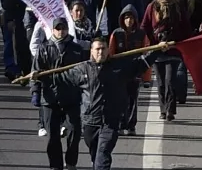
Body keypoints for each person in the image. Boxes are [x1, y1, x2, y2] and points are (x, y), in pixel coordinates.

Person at [36, 37, 164, 170]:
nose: (100, 52)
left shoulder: (119, 66)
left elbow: (142, 63)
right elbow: (60, 78)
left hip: (110, 121)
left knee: (103, 154)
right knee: (96, 155)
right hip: (90, 122)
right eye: (97, 49)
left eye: (103, 49)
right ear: (91, 51)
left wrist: (158, 50)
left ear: (108, 50)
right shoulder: (82, 69)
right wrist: (40, 76)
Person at [31, 17, 84, 170]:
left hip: (71, 97)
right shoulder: (43, 49)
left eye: (64, 28)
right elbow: (36, 72)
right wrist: (35, 91)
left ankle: (71, 162)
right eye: (58, 28)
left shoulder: (76, 49)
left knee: (74, 131)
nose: (61, 31)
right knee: (52, 137)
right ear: (52, 30)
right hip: (50, 99)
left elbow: (83, 71)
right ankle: (56, 166)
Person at [140, 0, 191, 121]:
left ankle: (170, 109)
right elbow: (145, 27)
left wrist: (176, 42)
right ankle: (163, 109)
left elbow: (186, 27)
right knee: (161, 82)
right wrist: (154, 44)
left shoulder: (178, 7)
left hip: (173, 50)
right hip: (157, 51)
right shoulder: (152, 7)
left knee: (170, 81)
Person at [108, 5, 150, 135]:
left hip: (134, 73)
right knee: (120, 99)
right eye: (126, 17)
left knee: (132, 100)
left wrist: (146, 78)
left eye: (131, 18)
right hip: (119, 73)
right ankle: (121, 124)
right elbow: (110, 53)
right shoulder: (116, 34)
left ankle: (131, 126)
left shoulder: (141, 34)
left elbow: (147, 56)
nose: (129, 20)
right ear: (122, 19)